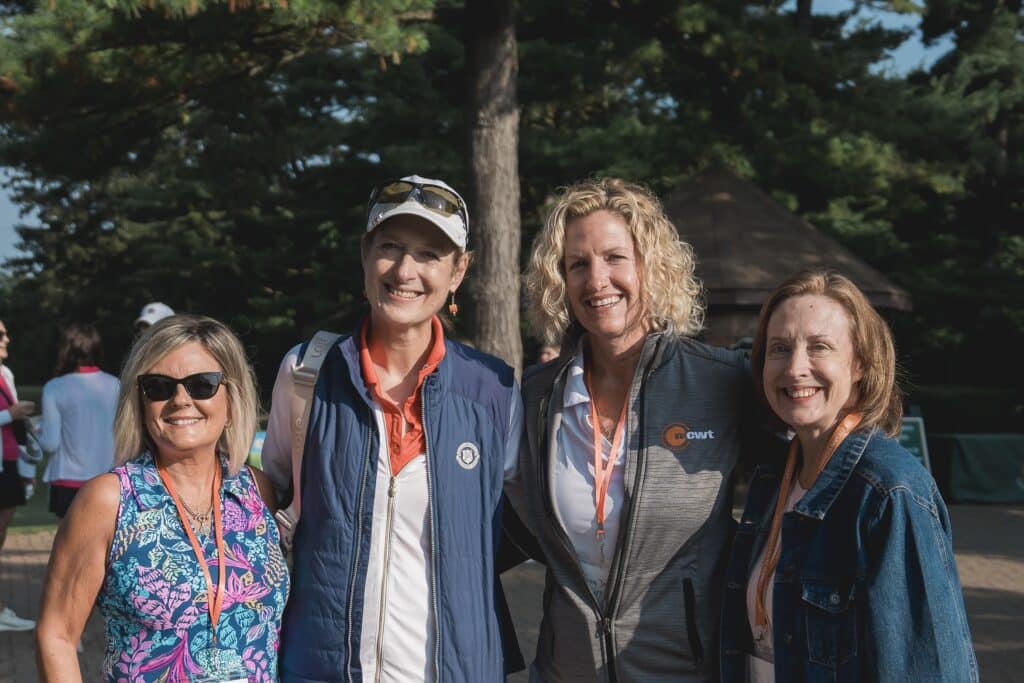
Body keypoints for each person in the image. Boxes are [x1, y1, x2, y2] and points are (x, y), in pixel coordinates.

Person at [262, 174, 522, 681]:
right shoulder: (306, 373)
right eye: (391, 247)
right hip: (323, 669)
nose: (405, 270)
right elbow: (270, 498)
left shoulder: (496, 391)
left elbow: (518, 525)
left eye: (429, 254)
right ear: (365, 256)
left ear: (458, 271)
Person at [517, 177, 772, 681]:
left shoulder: (722, 382)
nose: (597, 280)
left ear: (650, 267)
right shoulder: (533, 397)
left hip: (685, 671)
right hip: (565, 670)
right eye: (578, 264)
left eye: (615, 257)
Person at [719, 270, 978, 682]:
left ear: (859, 363)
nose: (795, 368)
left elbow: (928, 670)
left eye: (819, 347)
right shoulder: (770, 482)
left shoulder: (890, 492)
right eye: (779, 349)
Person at [36, 315, 289, 682]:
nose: (180, 400)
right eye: (159, 387)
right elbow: (56, 635)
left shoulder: (257, 492)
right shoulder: (110, 500)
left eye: (202, 385)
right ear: (139, 402)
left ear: (232, 397)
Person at [38, 324, 120, 518]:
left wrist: (35, 431)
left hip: (67, 479)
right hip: (108, 479)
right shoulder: (116, 385)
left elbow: (50, 443)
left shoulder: (55, 387)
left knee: (69, 546)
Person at [0, 318, 37, 632]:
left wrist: (25, 422)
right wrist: (9, 415)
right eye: (0, 334)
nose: (7, 338)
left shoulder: (6, 374)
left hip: (9, 464)